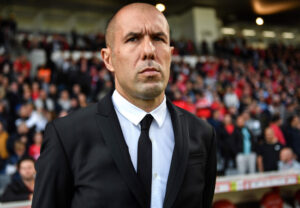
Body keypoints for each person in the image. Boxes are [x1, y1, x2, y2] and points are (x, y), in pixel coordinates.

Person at [32, 3, 217, 208]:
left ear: (171, 54)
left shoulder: (202, 134)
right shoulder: (66, 136)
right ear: (108, 59)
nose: (149, 50)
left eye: (158, 38)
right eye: (133, 39)